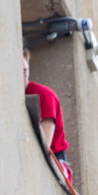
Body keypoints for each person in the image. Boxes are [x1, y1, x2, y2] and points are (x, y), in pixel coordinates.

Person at [23, 48, 73, 186]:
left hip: (56, 164)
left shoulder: (44, 95)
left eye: (24, 70)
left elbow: (44, 143)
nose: (22, 75)